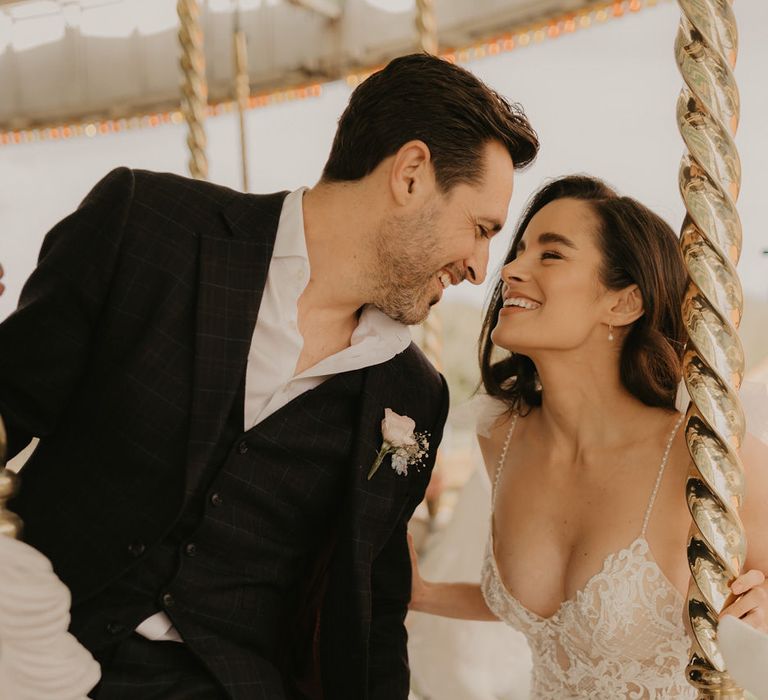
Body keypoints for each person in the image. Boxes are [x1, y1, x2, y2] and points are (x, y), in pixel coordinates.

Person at [0, 53, 539, 700]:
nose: (482, 267)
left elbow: (373, 619)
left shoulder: (413, 396)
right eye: (480, 229)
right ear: (412, 174)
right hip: (31, 648)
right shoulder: (147, 225)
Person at [408, 175, 768, 698]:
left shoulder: (704, 454)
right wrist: (424, 593)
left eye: (550, 255)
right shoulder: (500, 437)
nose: (509, 269)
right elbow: (560, 620)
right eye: (520, 250)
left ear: (624, 304)